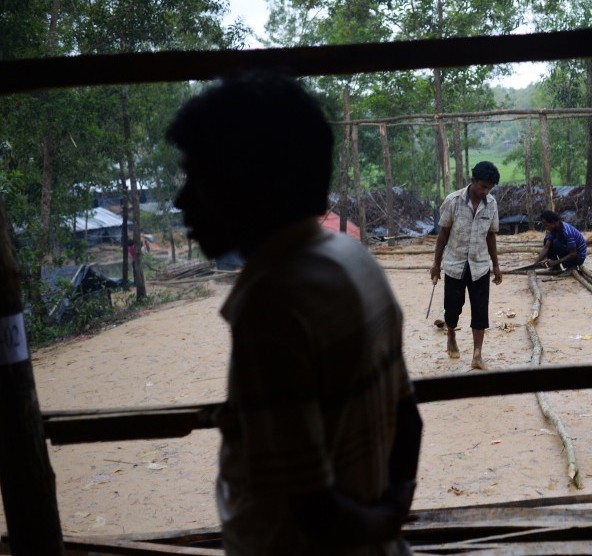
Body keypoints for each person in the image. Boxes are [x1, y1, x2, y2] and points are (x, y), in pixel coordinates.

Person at [167, 71, 422, 555]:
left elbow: (312, 510)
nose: (183, 200)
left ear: (246, 183)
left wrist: (377, 526)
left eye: (197, 176)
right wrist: (390, 518)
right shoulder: (354, 259)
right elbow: (407, 419)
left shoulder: (273, 306)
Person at [430, 161, 502, 370]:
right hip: (455, 265)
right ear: (473, 181)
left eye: (489, 187)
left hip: (480, 266)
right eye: (482, 186)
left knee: (480, 312)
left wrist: (496, 265)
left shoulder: (492, 204)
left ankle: (477, 355)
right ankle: (451, 334)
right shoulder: (453, 201)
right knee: (452, 310)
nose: (485, 191)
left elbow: (491, 236)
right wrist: (436, 265)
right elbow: (442, 235)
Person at [532, 210, 587, 274]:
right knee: (547, 240)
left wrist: (556, 261)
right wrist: (535, 264)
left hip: (578, 257)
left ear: (552, 222)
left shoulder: (568, 232)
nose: (546, 228)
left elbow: (573, 254)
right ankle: (556, 267)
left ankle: (572, 266)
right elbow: (546, 247)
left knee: (556, 243)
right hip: (569, 252)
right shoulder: (554, 230)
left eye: (547, 225)